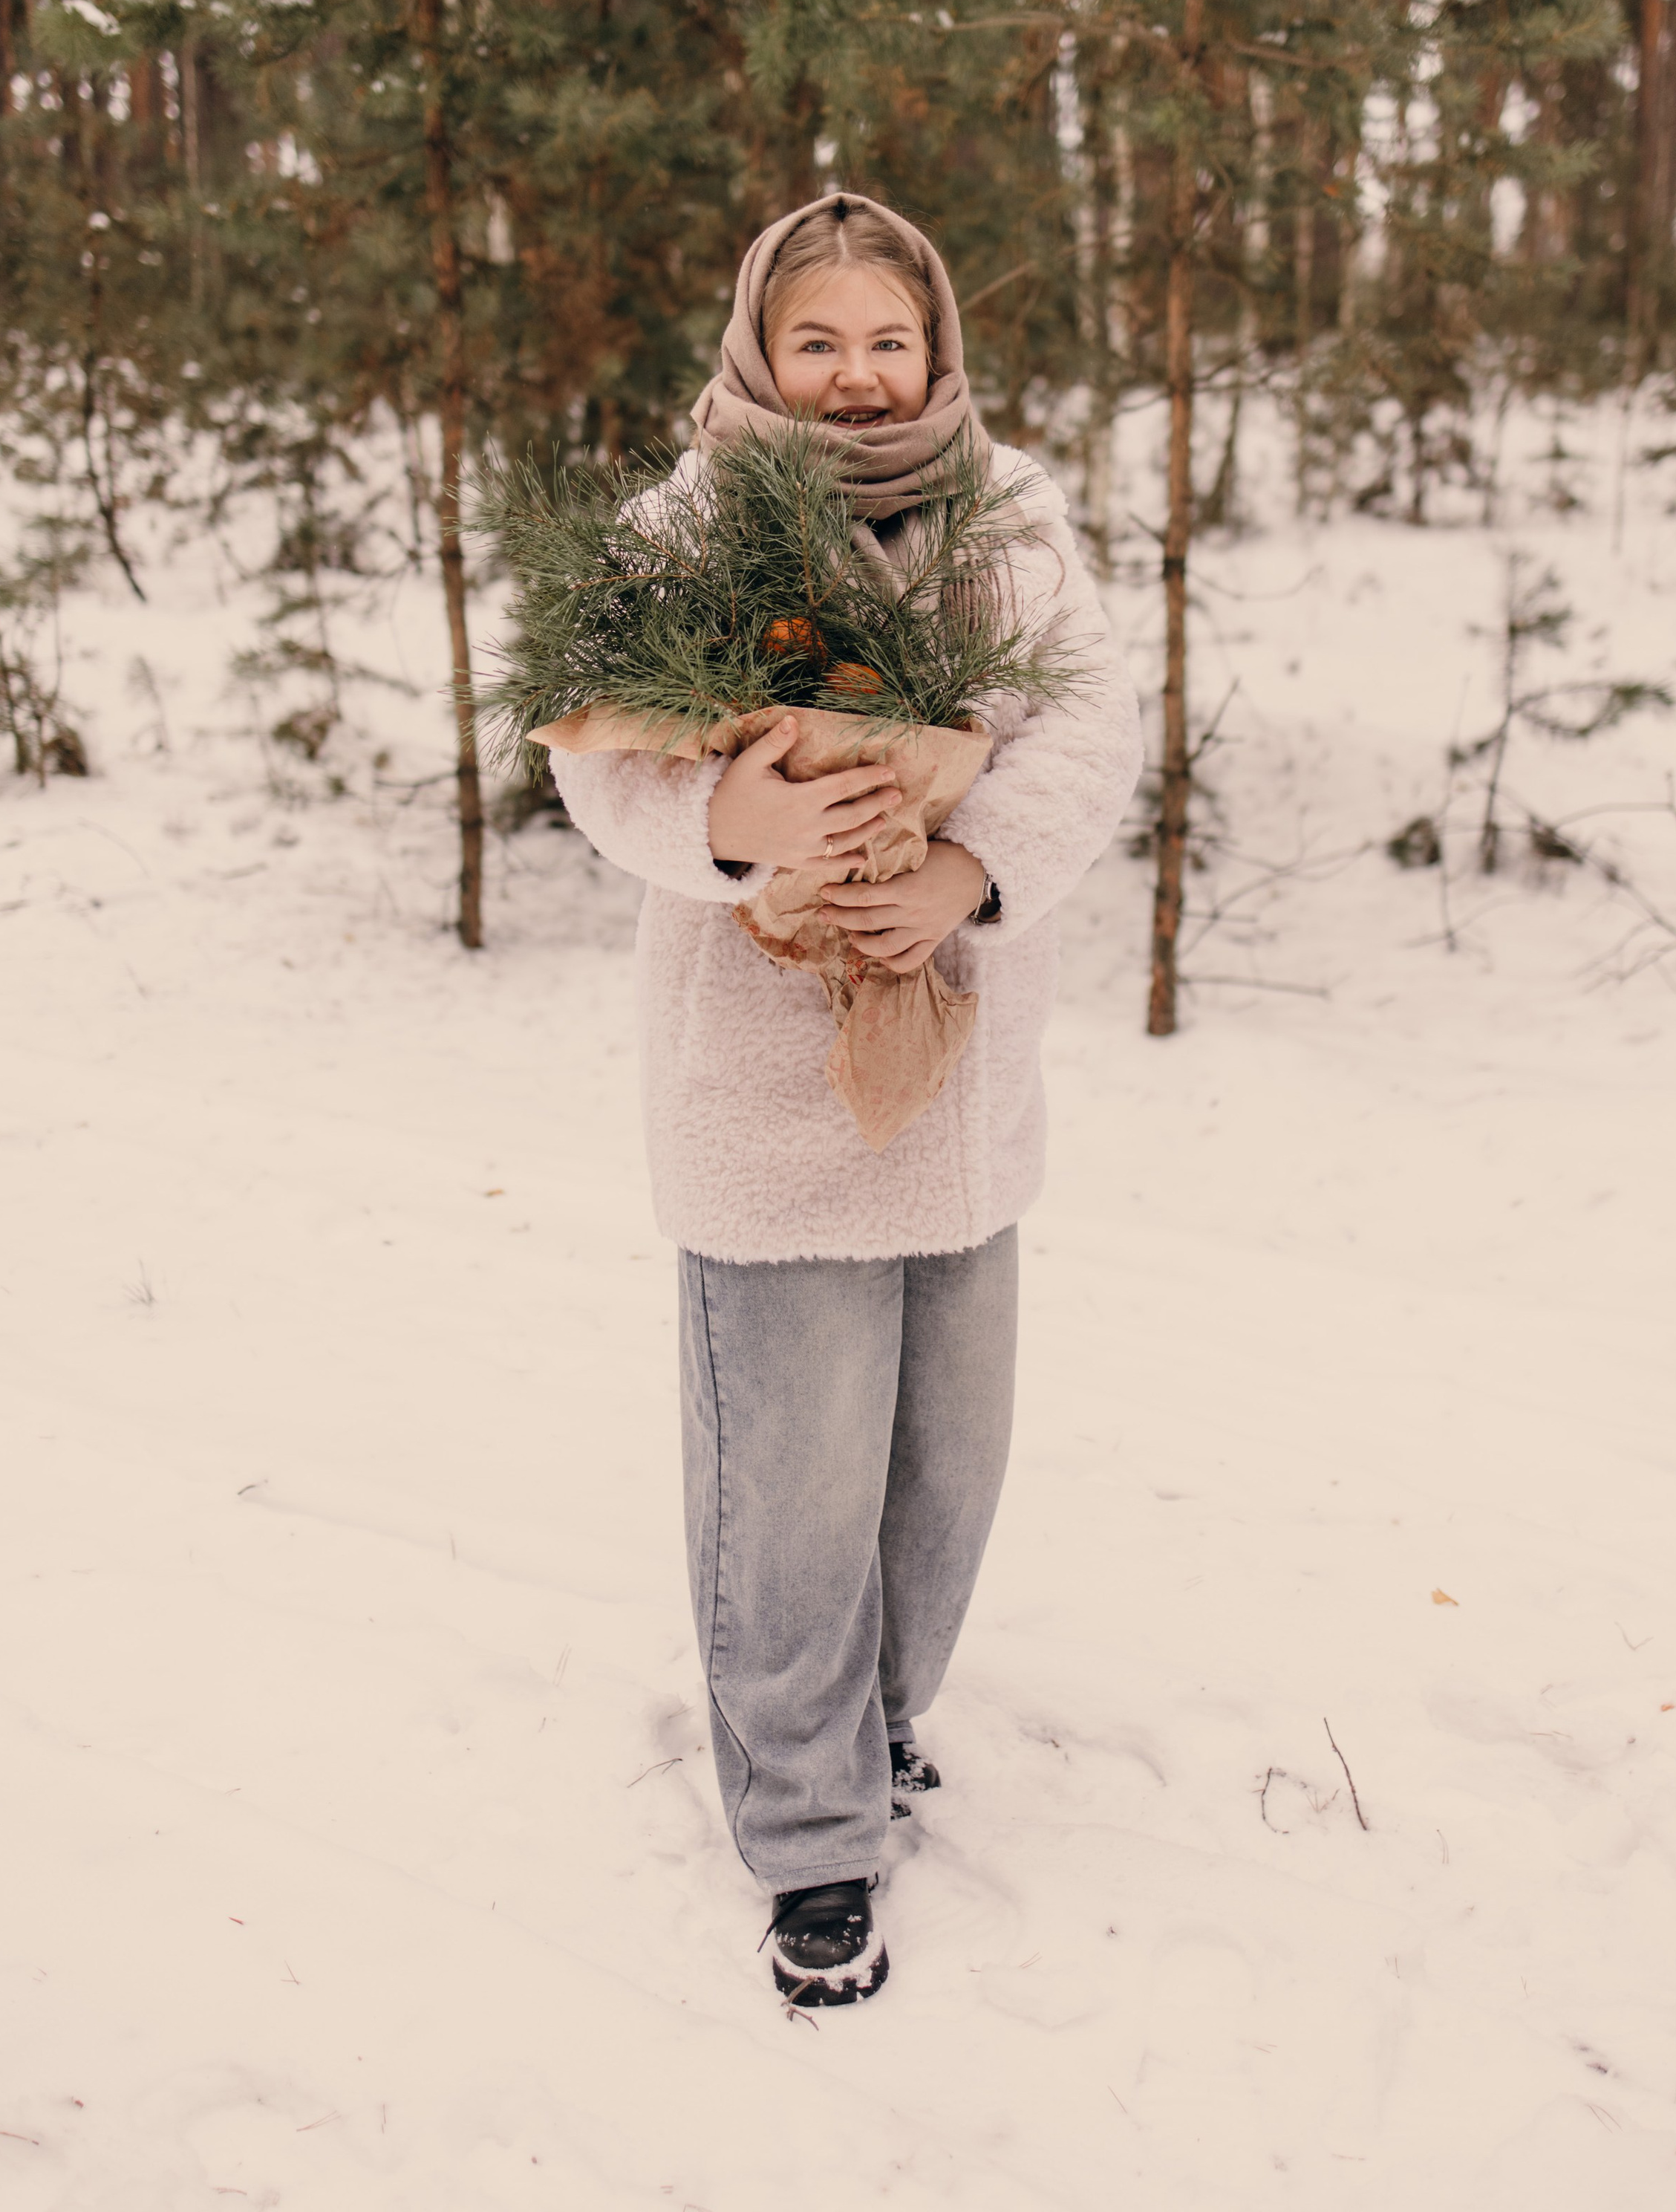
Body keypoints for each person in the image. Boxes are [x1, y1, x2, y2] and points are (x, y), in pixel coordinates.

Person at [548, 192, 1142, 2008]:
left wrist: (968, 869)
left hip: (957, 1086)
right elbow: (599, 758)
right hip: (767, 1095)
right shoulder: (684, 528)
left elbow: (1087, 725)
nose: (857, 373)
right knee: (791, 1487)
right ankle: (810, 1834)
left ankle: (879, 1718)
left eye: (887, 339)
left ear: (935, 345)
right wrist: (735, 823)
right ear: (759, 350)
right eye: (817, 341)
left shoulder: (1007, 513)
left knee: (941, 1470)